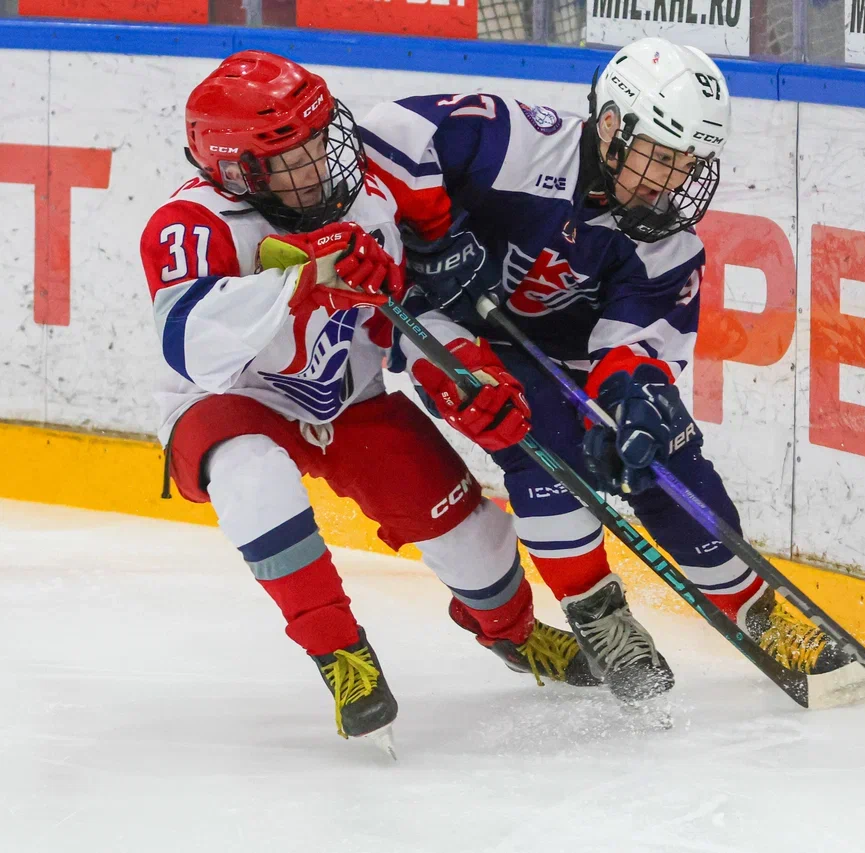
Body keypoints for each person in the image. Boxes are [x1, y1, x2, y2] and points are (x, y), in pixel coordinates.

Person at [359, 37, 862, 705]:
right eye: (661, 154)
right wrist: (432, 233)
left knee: (666, 453)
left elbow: (635, 346)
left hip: (569, 349)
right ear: (609, 127)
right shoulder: (518, 144)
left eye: (689, 163)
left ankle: (758, 614)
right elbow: (383, 136)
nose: (673, 179)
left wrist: (633, 408)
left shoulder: (668, 240)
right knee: (533, 430)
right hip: (454, 326)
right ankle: (598, 614)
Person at [140, 50, 600, 751]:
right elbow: (191, 344)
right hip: (235, 404)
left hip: (350, 403)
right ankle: (340, 654)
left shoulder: (369, 206)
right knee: (250, 471)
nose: (322, 163)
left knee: (478, 543)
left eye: (323, 138)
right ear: (239, 170)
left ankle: (514, 633)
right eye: (295, 156)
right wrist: (304, 278)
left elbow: (399, 322)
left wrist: (460, 370)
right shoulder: (191, 224)